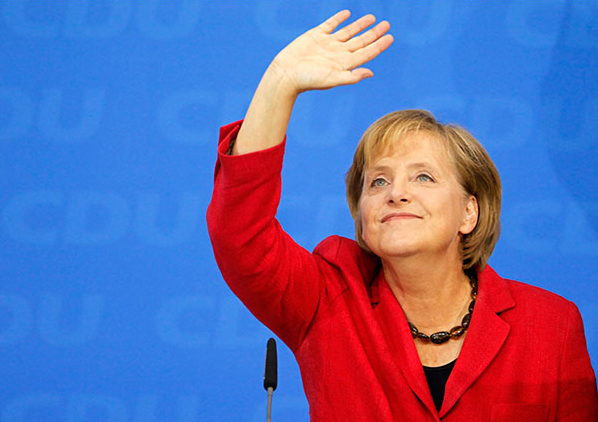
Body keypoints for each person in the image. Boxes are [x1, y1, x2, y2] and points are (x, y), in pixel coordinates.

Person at [207, 10, 598, 421]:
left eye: (423, 177)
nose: (396, 193)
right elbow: (239, 234)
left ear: (469, 212)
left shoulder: (551, 326)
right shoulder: (324, 301)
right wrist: (280, 83)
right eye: (377, 182)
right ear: (361, 214)